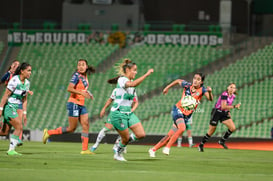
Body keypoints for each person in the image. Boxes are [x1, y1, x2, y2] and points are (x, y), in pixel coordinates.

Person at [149, 73, 213, 157]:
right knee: (182, 128)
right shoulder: (187, 85)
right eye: (194, 78)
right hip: (177, 109)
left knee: (170, 135)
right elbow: (177, 81)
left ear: (201, 82)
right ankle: (167, 147)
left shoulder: (202, 90)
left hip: (186, 115)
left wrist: (210, 92)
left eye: (198, 79)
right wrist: (167, 88)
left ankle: (153, 149)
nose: (195, 81)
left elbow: (210, 98)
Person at [42, 59, 95, 155]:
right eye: (79, 65)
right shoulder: (76, 76)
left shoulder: (85, 76)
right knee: (71, 129)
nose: (81, 66)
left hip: (81, 104)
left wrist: (88, 93)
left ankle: (84, 149)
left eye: (83, 65)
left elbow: (82, 89)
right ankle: (49, 132)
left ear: (86, 66)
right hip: (73, 103)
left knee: (86, 125)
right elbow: (69, 88)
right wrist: (82, 93)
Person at [110, 58, 153, 161]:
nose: (136, 72)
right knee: (126, 138)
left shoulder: (131, 83)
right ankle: (118, 154)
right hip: (118, 113)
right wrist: (146, 75)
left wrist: (132, 108)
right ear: (128, 70)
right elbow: (132, 84)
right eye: (134, 70)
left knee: (141, 134)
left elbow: (135, 99)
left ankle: (119, 143)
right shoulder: (122, 80)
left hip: (128, 113)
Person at [90, 88, 138, 153]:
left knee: (124, 132)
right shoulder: (117, 90)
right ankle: (95, 145)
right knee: (106, 128)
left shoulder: (132, 90)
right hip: (115, 112)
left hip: (125, 113)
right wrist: (103, 108)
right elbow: (110, 100)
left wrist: (131, 110)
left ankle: (117, 147)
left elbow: (136, 102)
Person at [198, 83, 241, 152]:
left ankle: (222, 141)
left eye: (234, 88)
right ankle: (201, 144)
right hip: (217, 112)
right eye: (231, 87)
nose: (232, 89)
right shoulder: (224, 94)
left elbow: (228, 105)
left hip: (224, 113)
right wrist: (234, 106)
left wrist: (228, 112)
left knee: (232, 128)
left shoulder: (233, 96)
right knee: (212, 130)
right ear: (228, 88)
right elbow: (223, 106)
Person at [0, 62, 31, 155]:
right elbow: (6, 95)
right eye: (28, 70)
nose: (30, 73)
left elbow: (24, 99)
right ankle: (11, 150)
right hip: (9, 107)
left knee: (4, 132)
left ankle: (12, 149)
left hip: (16, 108)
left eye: (31, 71)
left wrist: (25, 113)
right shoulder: (14, 80)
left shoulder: (27, 83)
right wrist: (0, 109)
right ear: (22, 71)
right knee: (19, 126)